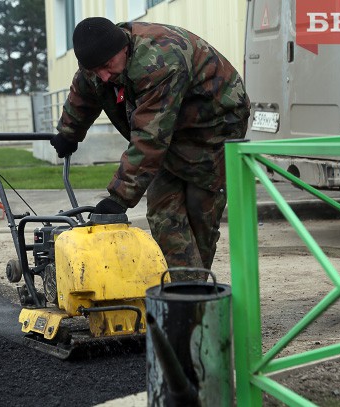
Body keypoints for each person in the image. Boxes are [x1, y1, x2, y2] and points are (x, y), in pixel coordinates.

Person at [50, 17, 250, 279]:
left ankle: (195, 297)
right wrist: (69, 132)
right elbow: (85, 90)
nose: (104, 76)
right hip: (170, 129)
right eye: (96, 69)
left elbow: (150, 137)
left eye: (108, 66)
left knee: (199, 212)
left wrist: (118, 198)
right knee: (163, 213)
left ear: (123, 48)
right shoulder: (101, 62)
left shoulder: (160, 60)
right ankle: (185, 293)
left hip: (214, 128)